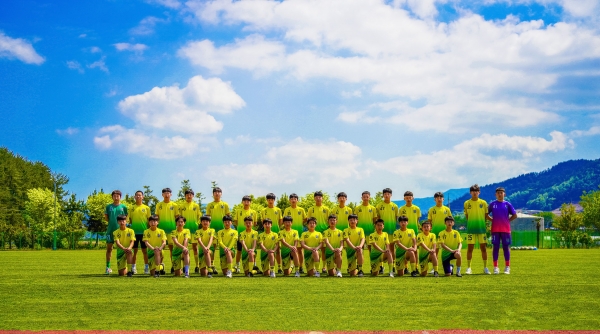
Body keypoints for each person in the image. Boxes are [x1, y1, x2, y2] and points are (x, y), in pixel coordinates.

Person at [487, 187, 517, 275]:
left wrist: (508, 220)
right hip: (495, 230)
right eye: (498, 193)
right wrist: (492, 220)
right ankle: (495, 267)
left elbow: (515, 215)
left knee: (506, 247)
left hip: (506, 230)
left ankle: (507, 267)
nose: (500, 194)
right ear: (495, 195)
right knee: (495, 247)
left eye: (501, 193)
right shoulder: (492, 204)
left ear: (504, 194)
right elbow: (486, 214)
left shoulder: (508, 204)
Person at [464, 184, 490, 275]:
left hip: (481, 230)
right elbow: (467, 216)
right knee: (470, 249)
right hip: (471, 230)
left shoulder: (483, 203)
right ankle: (468, 268)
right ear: (470, 193)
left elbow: (486, 216)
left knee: (484, 248)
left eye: (476, 191)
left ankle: (485, 267)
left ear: (479, 192)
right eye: (473, 191)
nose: (475, 193)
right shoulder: (467, 203)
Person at [206, 187, 230, 274]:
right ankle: (212, 266)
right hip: (212, 230)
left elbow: (228, 218)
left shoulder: (225, 205)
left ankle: (226, 266)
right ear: (213, 194)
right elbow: (208, 218)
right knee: (213, 248)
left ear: (221, 194)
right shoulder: (209, 205)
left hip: (223, 230)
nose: (217, 193)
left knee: (223, 248)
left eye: (219, 192)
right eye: (215, 192)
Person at [426, 192, 452, 273]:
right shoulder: (431, 209)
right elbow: (429, 222)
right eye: (437, 197)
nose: (439, 199)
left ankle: (449, 266)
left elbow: (450, 220)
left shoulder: (447, 209)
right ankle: (434, 268)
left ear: (443, 199)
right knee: (435, 251)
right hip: (435, 233)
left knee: (447, 251)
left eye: (441, 197)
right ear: (435, 199)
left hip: (445, 233)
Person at [104, 190, 128, 275]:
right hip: (110, 230)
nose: (116, 197)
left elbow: (126, 218)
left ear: (120, 197)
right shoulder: (108, 207)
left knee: (123, 248)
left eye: (118, 196)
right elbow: (106, 218)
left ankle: (124, 267)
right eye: (114, 196)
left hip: (121, 231)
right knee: (109, 249)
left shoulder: (123, 207)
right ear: (112, 197)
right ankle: (107, 267)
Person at [155, 188, 178, 274]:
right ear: (162, 195)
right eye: (165, 193)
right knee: (161, 249)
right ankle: (160, 266)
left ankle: (173, 265)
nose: (167, 194)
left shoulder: (175, 205)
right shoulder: (159, 205)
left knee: (172, 249)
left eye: (168, 193)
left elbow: (177, 218)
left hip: (172, 230)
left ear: (171, 194)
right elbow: (157, 217)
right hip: (161, 231)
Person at [307, 191, 331, 274]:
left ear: (322, 198)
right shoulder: (311, 209)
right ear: (314, 198)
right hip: (314, 232)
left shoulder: (326, 209)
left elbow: (329, 221)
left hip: (324, 232)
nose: (318, 198)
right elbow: (308, 221)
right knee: (314, 250)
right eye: (316, 197)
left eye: (320, 197)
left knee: (323, 250)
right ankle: (313, 267)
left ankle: (324, 267)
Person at [234, 195, 259, 273]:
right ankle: (237, 266)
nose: (246, 203)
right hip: (241, 234)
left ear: (250, 202)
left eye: (248, 201)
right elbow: (235, 222)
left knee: (254, 251)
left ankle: (254, 265)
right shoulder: (238, 211)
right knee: (239, 250)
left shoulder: (254, 212)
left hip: (251, 235)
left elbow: (255, 223)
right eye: (244, 201)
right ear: (242, 202)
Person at [179, 189, 201, 274]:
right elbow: (179, 218)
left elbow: (199, 217)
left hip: (194, 230)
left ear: (193, 196)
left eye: (191, 194)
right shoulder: (181, 206)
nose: (189, 196)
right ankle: (185, 266)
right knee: (184, 248)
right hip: (184, 231)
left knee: (195, 248)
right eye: (187, 194)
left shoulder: (196, 206)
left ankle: (197, 266)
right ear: (185, 196)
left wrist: (197, 225)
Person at [283, 193, 307, 273]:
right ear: (289, 200)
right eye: (291, 199)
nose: (293, 200)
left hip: (299, 233)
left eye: (295, 199)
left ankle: (300, 267)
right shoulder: (287, 210)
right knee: (289, 250)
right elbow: (284, 220)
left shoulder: (301, 210)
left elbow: (305, 220)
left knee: (299, 251)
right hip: (288, 234)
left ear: (297, 200)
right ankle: (290, 265)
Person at [260, 193, 283, 273]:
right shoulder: (263, 211)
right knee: (267, 249)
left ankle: (279, 267)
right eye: (269, 199)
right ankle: (268, 266)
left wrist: (276, 228)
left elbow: (280, 221)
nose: (270, 201)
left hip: (276, 233)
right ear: (267, 200)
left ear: (274, 200)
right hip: (266, 234)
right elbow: (263, 221)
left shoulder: (278, 210)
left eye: (272, 199)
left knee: (277, 250)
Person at [129, 190, 150, 274]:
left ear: (143, 197)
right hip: (134, 234)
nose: (138, 196)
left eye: (140, 195)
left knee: (145, 251)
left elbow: (149, 221)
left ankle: (146, 267)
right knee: (134, 251)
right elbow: (129, 220)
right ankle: (133, 268)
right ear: (134, 197)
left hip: (144, 233)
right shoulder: (131, 208)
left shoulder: (146, 208)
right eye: (136, 195)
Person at [376, 188, 399, 264]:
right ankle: (381, 266)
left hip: (392, 230)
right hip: (382, 231)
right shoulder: (379, 205)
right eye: (385, 194)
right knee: (381, 249)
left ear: (391, 195)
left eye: (388, 194)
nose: (386, 195)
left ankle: (393, 265)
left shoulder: (395, 206)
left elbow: (396, 218)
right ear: (383, 195)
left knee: (392, 248)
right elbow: (378, 218)